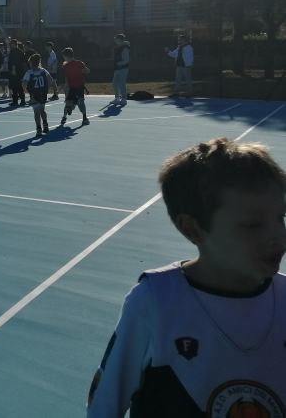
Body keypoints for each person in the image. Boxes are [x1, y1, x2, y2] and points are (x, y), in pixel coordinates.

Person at [87, 138, 286, 417]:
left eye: (281, 217)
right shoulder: (156, 302)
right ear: (193, 230)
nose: (277, 237)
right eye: (253, 225)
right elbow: (106, 403)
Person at [21, 53, 56, 137]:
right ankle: (45, 125)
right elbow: (51, 80)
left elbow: (24, 84)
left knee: (36, 112)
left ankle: (39, 129)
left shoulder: (29, 72)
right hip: (43, 93)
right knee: (42, 110)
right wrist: (55, 90)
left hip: (34, 94)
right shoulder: (43, 70)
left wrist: (25, 91)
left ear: (30, 63)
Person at [60, 47, 90, 126]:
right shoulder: (66, 65)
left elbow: (87, 71)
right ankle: (66, 116)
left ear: (66, 56)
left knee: (79, 102)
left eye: (64, 56)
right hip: (73, 87)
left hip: (78, 86)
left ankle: (84, 118)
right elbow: (66, 77)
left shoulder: (78, 63)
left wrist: (82, 70)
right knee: (72, 102)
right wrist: (66, 86)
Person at [111, 34, 131, 106]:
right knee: (115, 82)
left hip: (123, 68)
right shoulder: (118, 47)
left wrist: (119, 63)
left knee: (122, 83)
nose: (115, 40)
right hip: (117, 68)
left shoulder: (124, 47)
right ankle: (117, 98)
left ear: (119, 39)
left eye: (116, 39)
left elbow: (126, 60)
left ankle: (124, 99)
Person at [8, 39, 27, 107]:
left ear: (14, 44)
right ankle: (22, 100)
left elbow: (14, 62)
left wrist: (13, 70)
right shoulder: (20, 51)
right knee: (18, 86)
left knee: (15, 86)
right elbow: (23, 61)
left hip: (15, 71)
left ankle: (16, 101)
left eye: (11, 44)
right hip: (19, 71)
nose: (10, 45)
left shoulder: (13, 51)